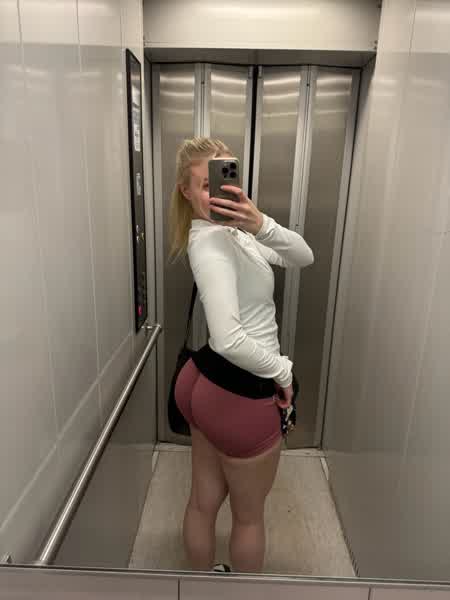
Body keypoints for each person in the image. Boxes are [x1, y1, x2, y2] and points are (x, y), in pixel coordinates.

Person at [170, 137, 314, 574]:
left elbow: (302, 256)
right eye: (205, 185)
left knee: (202, 500)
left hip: (206, 384)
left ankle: (199, 585)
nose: (216, 193)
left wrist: (260, 222)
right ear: (186, 191)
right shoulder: (209, 244)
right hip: (240, 393)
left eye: (223, 180)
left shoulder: (237, 233)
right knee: (249, 518)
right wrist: (283, 371)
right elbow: (229, 340)